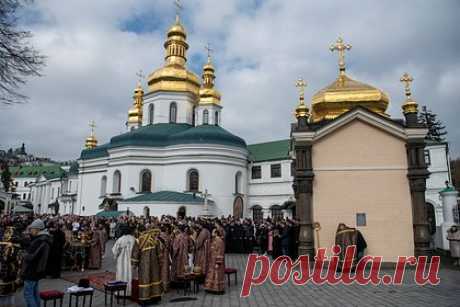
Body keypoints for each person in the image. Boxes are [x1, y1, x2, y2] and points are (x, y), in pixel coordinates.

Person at [22, 219, 52, 307]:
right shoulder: (43, 239)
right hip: (37, 269)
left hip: (32, 270)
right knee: (34, 292)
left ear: (38, 229)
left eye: (32, 229)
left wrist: (23, 254)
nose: (30, 230)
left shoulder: (40, 240)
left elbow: (31, 256)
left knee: (28, 294)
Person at [131, 228, 162, 303]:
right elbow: (160, 254)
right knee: (154, 279)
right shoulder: (155, 240)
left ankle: (145, 299)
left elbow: (135, 255)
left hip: (144, 265)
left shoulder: (138, 241)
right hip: (155, 265)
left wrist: (134, 265)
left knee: (145, 280)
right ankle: (155, 297)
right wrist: (160, 263)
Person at [112, 225, 136, 296]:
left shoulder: (120, 239)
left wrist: (115, 256)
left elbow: (115, 250)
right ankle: (130, 292)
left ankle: (120, 292)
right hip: (131, 259)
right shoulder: (134, 239)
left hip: (121, 260)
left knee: (121, 274)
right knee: (130, 274)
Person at [204, 228, 225, 294]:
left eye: (213, 232)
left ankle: (218, 289)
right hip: (212, 260)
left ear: (216, 233)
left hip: (216, 261)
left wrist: (218, 262)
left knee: (217, 275)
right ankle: (210, 288)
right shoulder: (214, 240)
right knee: (211, 274)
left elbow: (220, 252)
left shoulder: (219, 241)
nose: (211, 233)